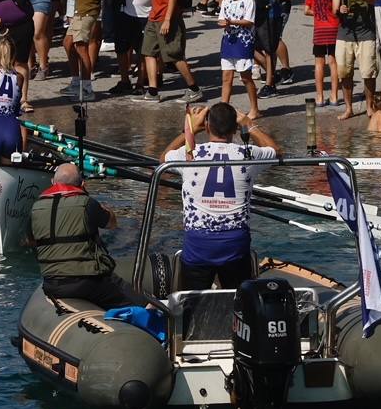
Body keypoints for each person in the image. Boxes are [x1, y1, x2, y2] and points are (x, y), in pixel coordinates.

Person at [161, 103, 282, 290]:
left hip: (198, 244)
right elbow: (276, 150)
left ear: (208, 126)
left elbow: (163, 159)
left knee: (192, 301)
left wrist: (191, 129)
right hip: (235, 243)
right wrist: (249, 124)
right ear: (235, 129)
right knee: (239, 298)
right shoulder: (248, 154)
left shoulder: (190, 154)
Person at [29, 163, 147, 308]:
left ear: (53, 182)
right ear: (83, 184)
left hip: (51, 284)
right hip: (87, 283)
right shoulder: (88, 204)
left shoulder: (35, 207)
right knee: (145, 303)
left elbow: (31, 241)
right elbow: (112, 224)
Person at [141, 0, 203, 103]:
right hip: (154, 16)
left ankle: (194, 89)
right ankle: (152, 92)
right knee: (148, 52)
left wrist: (168, 19)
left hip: (165, 17)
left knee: (173, 55)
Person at [333, 0, 379, 121]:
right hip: (345, 34)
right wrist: (340, 10)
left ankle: (369, 106)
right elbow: (334, 8)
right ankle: (348, 108)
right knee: (344, 73)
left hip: (366, 33)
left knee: (368, 72)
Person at [217, 0, 260, 119]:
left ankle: (255, 108)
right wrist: (223, 23)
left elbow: (249, 22)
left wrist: (231, 22)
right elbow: (221, 18)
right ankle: (223, 110)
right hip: (228, 41)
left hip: (243, 42)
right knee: (226, 77)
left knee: (245, 77)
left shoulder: (249, 0)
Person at [304, 0, 341, 108]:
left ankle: (319, 97)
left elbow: (306, 10)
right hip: (334, 27)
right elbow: (337, 8)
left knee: (319, 62)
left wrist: (319, 13)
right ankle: (334, 96)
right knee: (333, 62)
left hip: (319, 28)